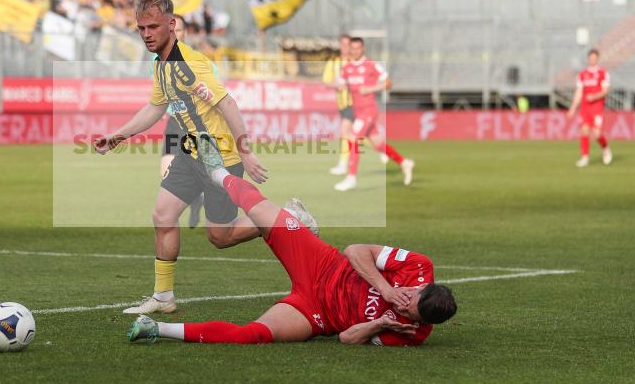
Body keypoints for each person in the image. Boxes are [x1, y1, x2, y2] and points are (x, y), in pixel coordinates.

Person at [96, 0, 314, 315]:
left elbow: (226, 103)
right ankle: (163, 297)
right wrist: (120, 135)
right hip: (191, 151)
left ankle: (290, 219)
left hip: (220, 156)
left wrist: (245, 149)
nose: (145, 34)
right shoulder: (161, 66)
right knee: (163, 216)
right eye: (141, 27)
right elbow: (155, 107)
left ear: (171, 25)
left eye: (153, 26)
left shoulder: (189, 64)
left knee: (220, 236)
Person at [128, 133, 457, 346]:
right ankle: (219, 173)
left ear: (420, 321)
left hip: (317, 313)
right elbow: (355, 251)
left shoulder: (411, 332)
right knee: (258, 207)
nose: (405, 301)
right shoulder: (417, 267)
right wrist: (386, 289)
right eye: (411, 295)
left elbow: (346, 338)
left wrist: (378, 325)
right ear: (421, 286)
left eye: (409, 309)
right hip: (323, 263)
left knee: (253, 335)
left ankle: (156, 329)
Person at [334, 37, 413, 191]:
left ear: (363, 49)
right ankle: (404, 162)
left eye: (358, 48)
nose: (355, 51)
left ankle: (351, 178)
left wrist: (371, 88)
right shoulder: (347, 68)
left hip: (369, 110)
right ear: (350, 49)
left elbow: (388, 83)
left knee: (354, 138)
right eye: (353, 48)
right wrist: (340, 86)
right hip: (358, 111)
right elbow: (340, 83)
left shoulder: (371, 65)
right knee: (378, 144)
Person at [159, 13, 205, 229]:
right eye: (171, 30)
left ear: (185, 33)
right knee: (165, 171)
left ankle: (191, 204)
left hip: (193, 124)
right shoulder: (158, 60)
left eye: (178, 30)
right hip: (173, 123)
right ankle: (192, 202)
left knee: (193, 170)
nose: (174, 34)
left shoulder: (197, 61)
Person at [567, 49, 612, 167]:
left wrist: (594, 96)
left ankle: (606, 148)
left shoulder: (603, 73)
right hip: (585, 108)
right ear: (588, 59)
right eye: (591, 58)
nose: (592, 60)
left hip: (597, 107)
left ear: (597, 59)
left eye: (594, 58)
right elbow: (579, 92)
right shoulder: (582, 74)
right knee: (584, 131)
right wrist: (572, 109)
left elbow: (605, 91)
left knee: (597, 134)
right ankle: (585, 157)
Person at [323, 34, 355, 176]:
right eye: (342, 44)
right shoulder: (334, 62)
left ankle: (343, 165)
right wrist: (336, 84)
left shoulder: (355, 62)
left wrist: (349, 84)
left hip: (354, 102)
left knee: (345, 131)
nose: (345, 47)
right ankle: (384, 150)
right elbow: (326, 81)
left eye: (347, 44)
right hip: (341, 103)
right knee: (360, 134)